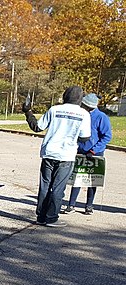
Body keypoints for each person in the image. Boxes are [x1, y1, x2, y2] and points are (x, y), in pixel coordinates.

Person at [23, 85, 91, 227]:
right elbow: (85, 137)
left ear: (65, 96)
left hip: (49, 152)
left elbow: (37, 127)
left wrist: (28, 112)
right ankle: (52, 218)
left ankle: (41, 216)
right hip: (66, 154)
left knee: (45, 185)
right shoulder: (84, 114)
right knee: (58, 187)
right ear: (80, 99)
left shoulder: (54, 110)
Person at [63, 93, 112, 215]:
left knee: (92, 180)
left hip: (95, 153)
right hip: (80, 151)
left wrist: (94, 150)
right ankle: (71, 205)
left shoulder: (101, 117)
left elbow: (107, 136)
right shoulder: (80, 114)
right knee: (77, 178)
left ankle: (89, 205)